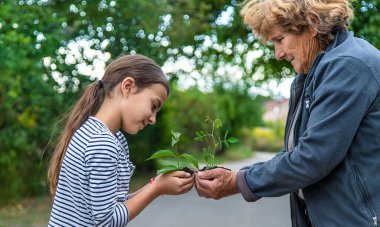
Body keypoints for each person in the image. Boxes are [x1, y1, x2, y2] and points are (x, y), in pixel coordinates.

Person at [195, 0, 380, 226]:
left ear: (312, 24)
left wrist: (237, 182)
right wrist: (241, 174)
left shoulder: (348, 65)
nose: (278, 54)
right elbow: (294, 152)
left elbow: (313, 158)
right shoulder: (314, 73)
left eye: (280, 40)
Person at [48, 54, 194, 226]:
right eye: (154, 106)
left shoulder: (91, 132)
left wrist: (156, 184)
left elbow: (113, 205)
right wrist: (156, 188)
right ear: (128, 87)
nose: (153, 119)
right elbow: (107, 221)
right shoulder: (103, 144)